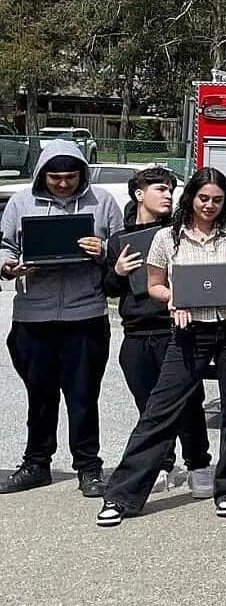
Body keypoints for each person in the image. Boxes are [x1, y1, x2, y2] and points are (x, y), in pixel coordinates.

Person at [97, 167, 226, 526]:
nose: (210, 205)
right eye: (204, 198)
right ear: (192, 198)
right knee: (159, 411)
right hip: (188, 332)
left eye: (218, 200)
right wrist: (173, 300)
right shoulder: (167, 238)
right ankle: (122, 496)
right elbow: (155, 284)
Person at [0, 140, 123, 497]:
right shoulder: (22, 202)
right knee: (39, 395)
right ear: (43, 174)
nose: (64, 184)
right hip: (33, 316)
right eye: (55, 177)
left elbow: (121, 249)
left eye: (70, 177)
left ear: (82, 173)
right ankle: (37, 463)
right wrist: (8, 266)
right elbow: (5, 245)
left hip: (85, 314)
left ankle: (88, 468)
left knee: (83, 396)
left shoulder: (102, 202)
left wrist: (104, 251)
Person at [104, 166, 213, 497]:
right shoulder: (120, 241)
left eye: (171, 189)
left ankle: (199, 464)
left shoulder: (180, 234)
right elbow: (106, 287)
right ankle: (163, 465)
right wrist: (118, 271)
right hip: (136, 335)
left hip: (175, 331)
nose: (168, 195)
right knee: (149, 407)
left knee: (189, 403)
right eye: (160, 189)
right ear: (139, 194)